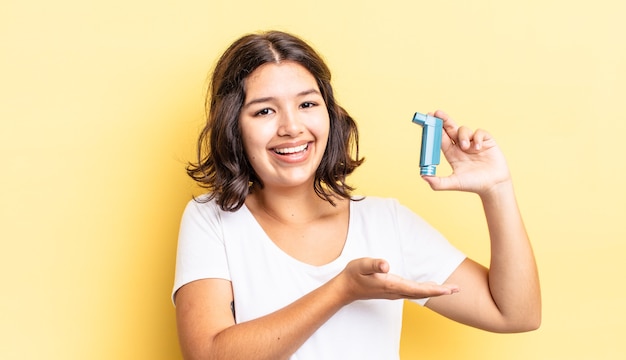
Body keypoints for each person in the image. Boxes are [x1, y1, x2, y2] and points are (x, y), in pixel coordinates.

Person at [172, 30, 541, 360]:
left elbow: (515, 314)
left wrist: (497, 189)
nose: (292, 127)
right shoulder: (212, 220)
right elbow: (208, 354)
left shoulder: (386, 223)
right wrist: (341, 290)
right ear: (233, 125)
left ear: (329, 115)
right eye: (265, 110)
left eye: (307, 104)